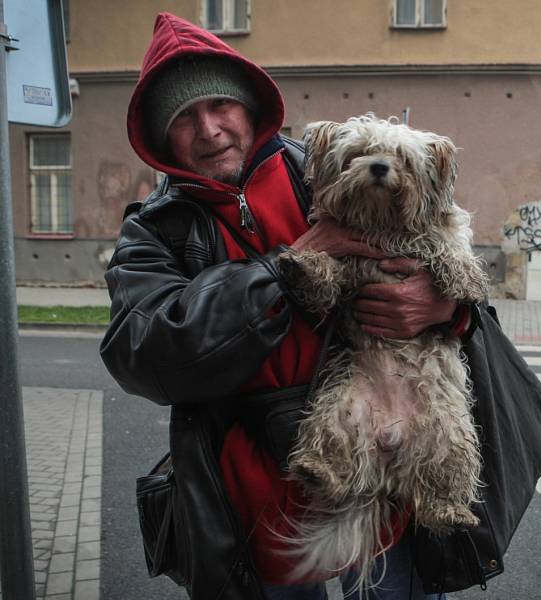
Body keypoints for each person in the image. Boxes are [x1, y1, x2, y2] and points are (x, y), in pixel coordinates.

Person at [100, 12, 475, 600]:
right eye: (183, 117)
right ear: (160, 136)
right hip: (254, 494)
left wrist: (441, 308)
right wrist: (286, 265)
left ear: (249, 105)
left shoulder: (328, 170)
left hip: (383, 468)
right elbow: (148, 355)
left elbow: (448, 267)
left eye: (220, 105)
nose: (209, 129)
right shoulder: (153, 232)